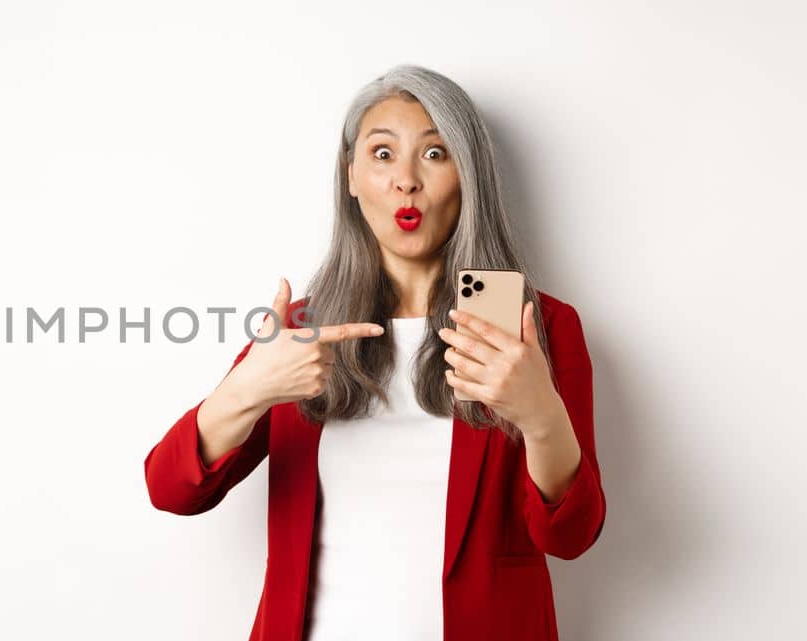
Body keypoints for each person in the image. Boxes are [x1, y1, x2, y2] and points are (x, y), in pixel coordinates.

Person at [142, 64, 606, 641]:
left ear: (469, 175)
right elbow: (172, 490)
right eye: (382, 154)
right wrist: (245, 390)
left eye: (435, 154)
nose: (406, 180)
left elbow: (570, 536)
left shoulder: (535, 328)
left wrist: (542, 419)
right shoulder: (303, 331)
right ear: (351, 175)